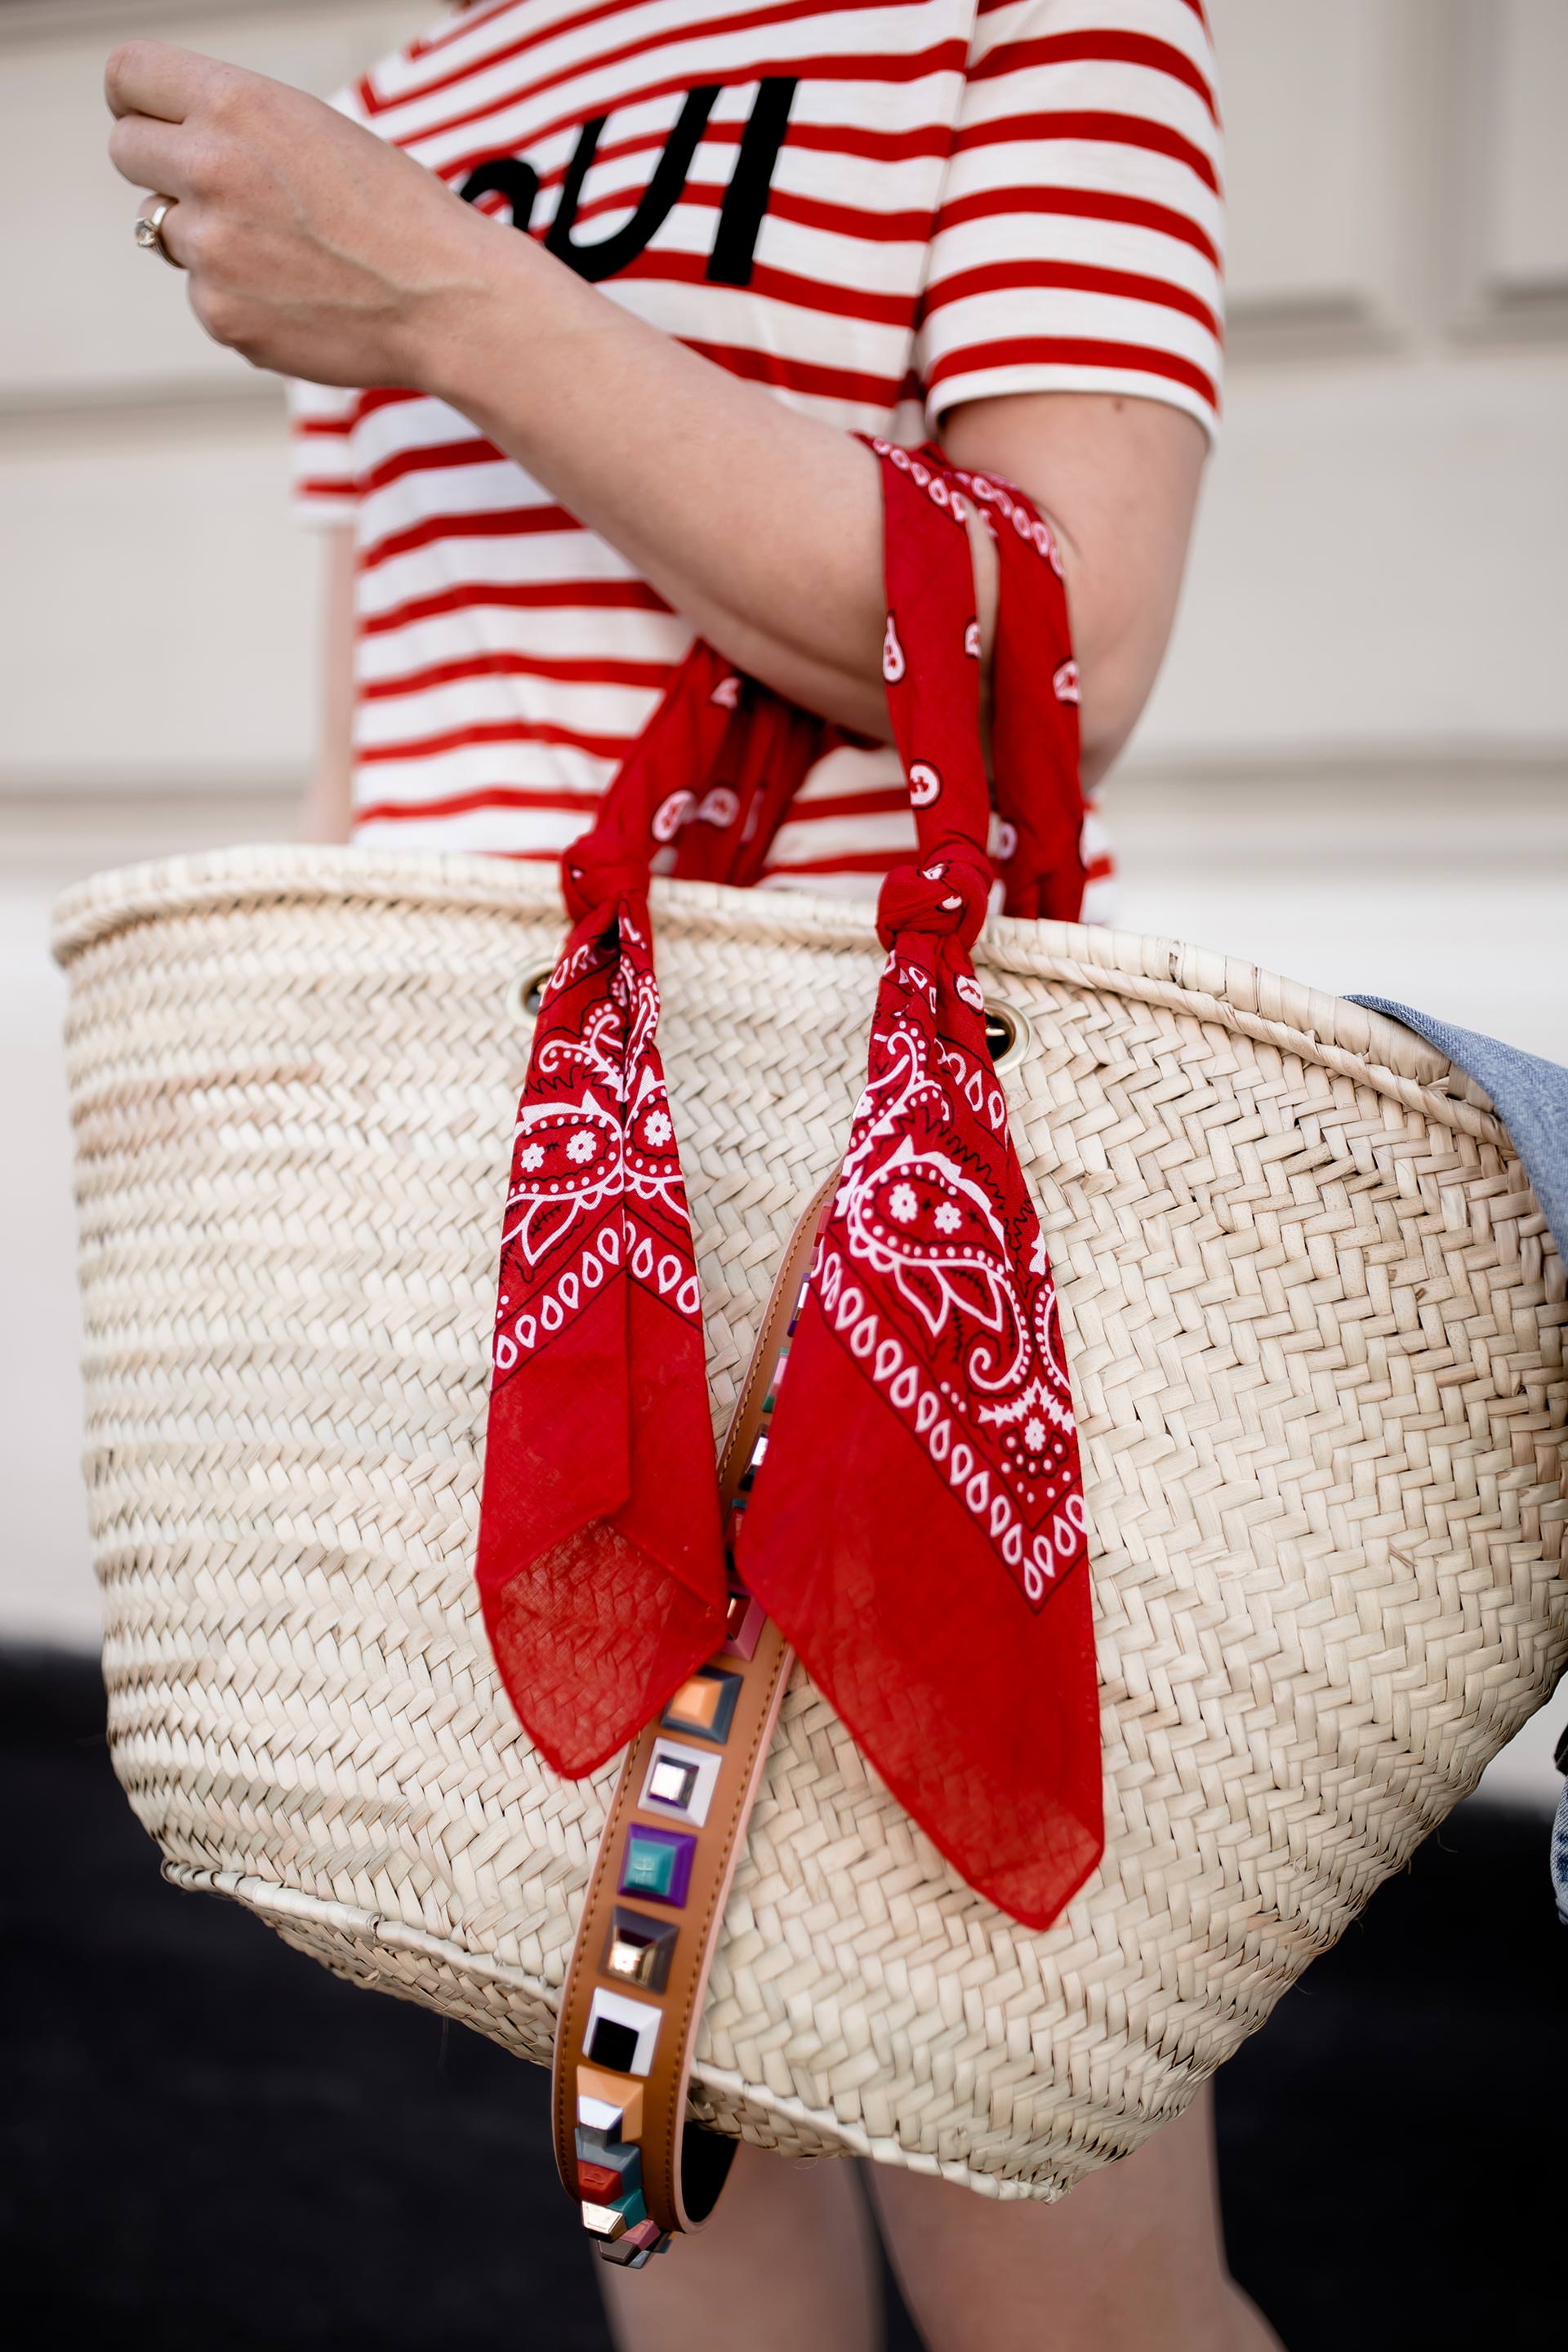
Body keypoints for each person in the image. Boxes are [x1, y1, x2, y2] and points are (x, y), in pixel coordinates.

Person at [106, 7, 1280, 2346]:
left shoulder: (1008, 11)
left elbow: (1069, 639)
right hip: (534, 1251)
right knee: (681, 2218)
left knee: (1068, 2293)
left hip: (902, 1252)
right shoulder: (434, 64)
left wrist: (445, 293)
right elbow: (417, 714)